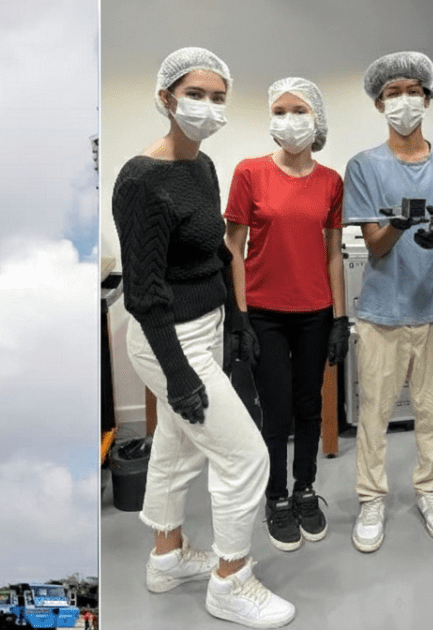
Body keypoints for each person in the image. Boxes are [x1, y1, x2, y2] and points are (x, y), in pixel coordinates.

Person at [111, 46, 294, 627]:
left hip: (207, 326)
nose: (208, 107)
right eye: (195, 95)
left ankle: (166, 559)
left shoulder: (203, 166)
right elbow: (142, 293)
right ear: (166, 99)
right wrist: (181, 373)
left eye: (218, 97)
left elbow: (216, 248)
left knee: (177, 444)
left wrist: (236, 318)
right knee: (246, 456)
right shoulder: (142, 180)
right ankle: (231, 581)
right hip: (167, 342)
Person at [343, 51, 433, 553]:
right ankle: (372, 498)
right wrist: (398, 225)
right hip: (382, 311)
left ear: (428, 96)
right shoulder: (364, 166)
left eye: (412, 91)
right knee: (375, 411)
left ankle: (430, 491)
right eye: (392, 93)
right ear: (379, 104)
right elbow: (374, 244)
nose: (403, 100)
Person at [223, 76, 347, 552]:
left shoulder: (331, 181)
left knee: (310, 405)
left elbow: (334, 253)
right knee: (275, 410)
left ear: (315, 119)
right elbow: (232, 246)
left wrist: (339, 318)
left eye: (298, 110)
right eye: (280, 111)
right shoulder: (250, 172)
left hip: (315, 310)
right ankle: (275, 497)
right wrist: (239, 316)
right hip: (265, 313)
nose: (288, 120)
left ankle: (305, 489)